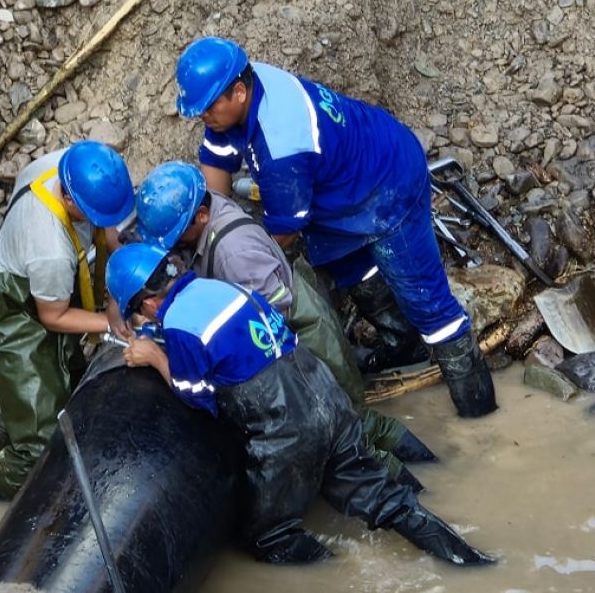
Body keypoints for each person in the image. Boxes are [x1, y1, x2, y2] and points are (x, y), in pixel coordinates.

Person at [105, 242, 494, 565]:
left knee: (262, 536)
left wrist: (155, 358)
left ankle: (338, 573)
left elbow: (198, 397)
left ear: (148, 305)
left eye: (136, 313)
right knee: (383, 499)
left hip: (287, 428)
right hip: (327, 399)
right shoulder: (223, 288)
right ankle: (474, 562)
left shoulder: (178, 324)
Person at [173, 36, 496, 418]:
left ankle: (478, 409)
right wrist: (216, 236)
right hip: (342, 184)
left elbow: (283, 235)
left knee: (427, 302)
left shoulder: (280, 147)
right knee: (353, 268)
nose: (203, 118)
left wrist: (241, 265)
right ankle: (403, 345)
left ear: (238, 93)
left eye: (207, 109)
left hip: (389, 185)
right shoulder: (239, 88)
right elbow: (216, 164)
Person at [133, 161, 436, 489]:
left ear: (201, 216)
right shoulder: (211, 208)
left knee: (349, 439)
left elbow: (269, 319)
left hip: (304, 340)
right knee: (361, 420)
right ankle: (438, 474)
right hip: (305, 315)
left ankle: (417, 496)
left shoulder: (234, 254)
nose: (175, 246)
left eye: (178, 235)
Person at [0, 140, 135, 500]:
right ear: (72, 201)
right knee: (38, 442)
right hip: (7, 314)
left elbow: (105, 232)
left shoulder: (60, 165)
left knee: (58, 391)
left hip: (36, 288)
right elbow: (53, 316)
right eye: (96, 216)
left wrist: (119, 256)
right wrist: (110, 323)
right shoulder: (51, 251)